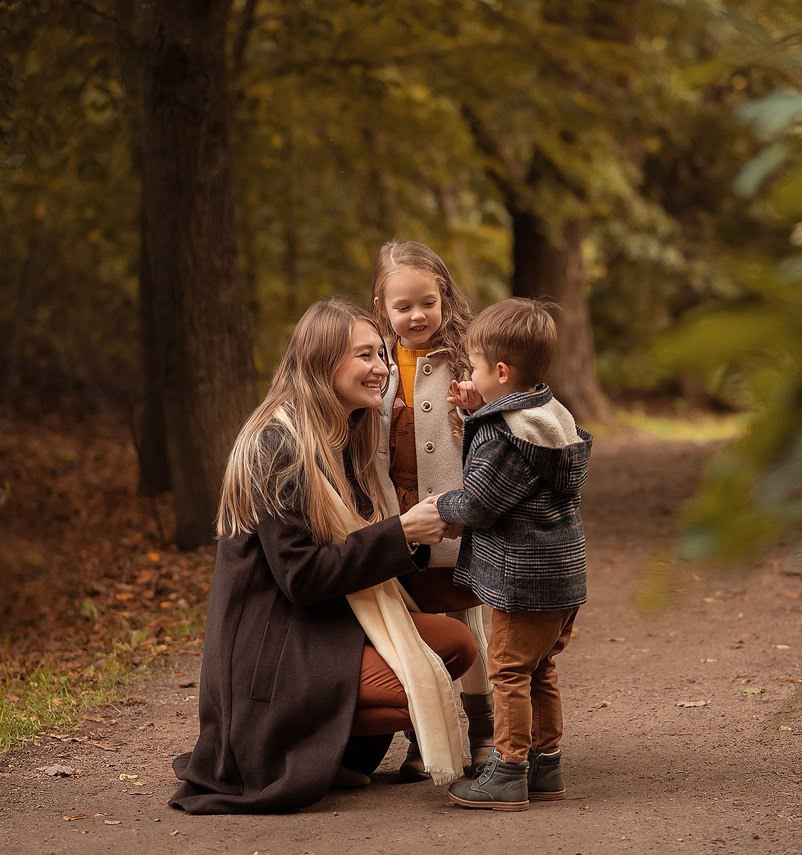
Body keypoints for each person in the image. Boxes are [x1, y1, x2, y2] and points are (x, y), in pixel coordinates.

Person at [169, 299, 476, 815]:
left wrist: (420, 533)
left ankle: (335, 754)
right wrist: (401, 533)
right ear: (322, 361)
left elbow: (352, 549)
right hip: (274, 646)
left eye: (381, 354)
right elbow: (302, 577)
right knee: (420, 688)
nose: (381, 367)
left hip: (321, 622)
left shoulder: (343, 434)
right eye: (364, 355)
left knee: (457, 645)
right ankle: (299, 749)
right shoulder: (276, 444)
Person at [434, 298, 593, 812]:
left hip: (522, 582)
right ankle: (545, 765)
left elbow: (479, 503)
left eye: (475, 367)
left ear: (501, 372)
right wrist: (476, 408)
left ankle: (507, 770)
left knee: (507, 672)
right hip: (562, 577)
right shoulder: (549, 415)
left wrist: (440, 507)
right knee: (538, 667)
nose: (469, 375)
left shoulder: (502, 436)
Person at [369, 239, 496, 776]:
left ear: (445, 297)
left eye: (428, 302)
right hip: (394, 516)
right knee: (412, 628)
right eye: (403, 306)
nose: (417, 315)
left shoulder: (467, 359)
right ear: (382, 308)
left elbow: (494, 425)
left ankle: (485, 732)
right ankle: (424, 737)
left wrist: (475, 406)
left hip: (455, 516)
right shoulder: (374, 361)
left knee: (467, 620)